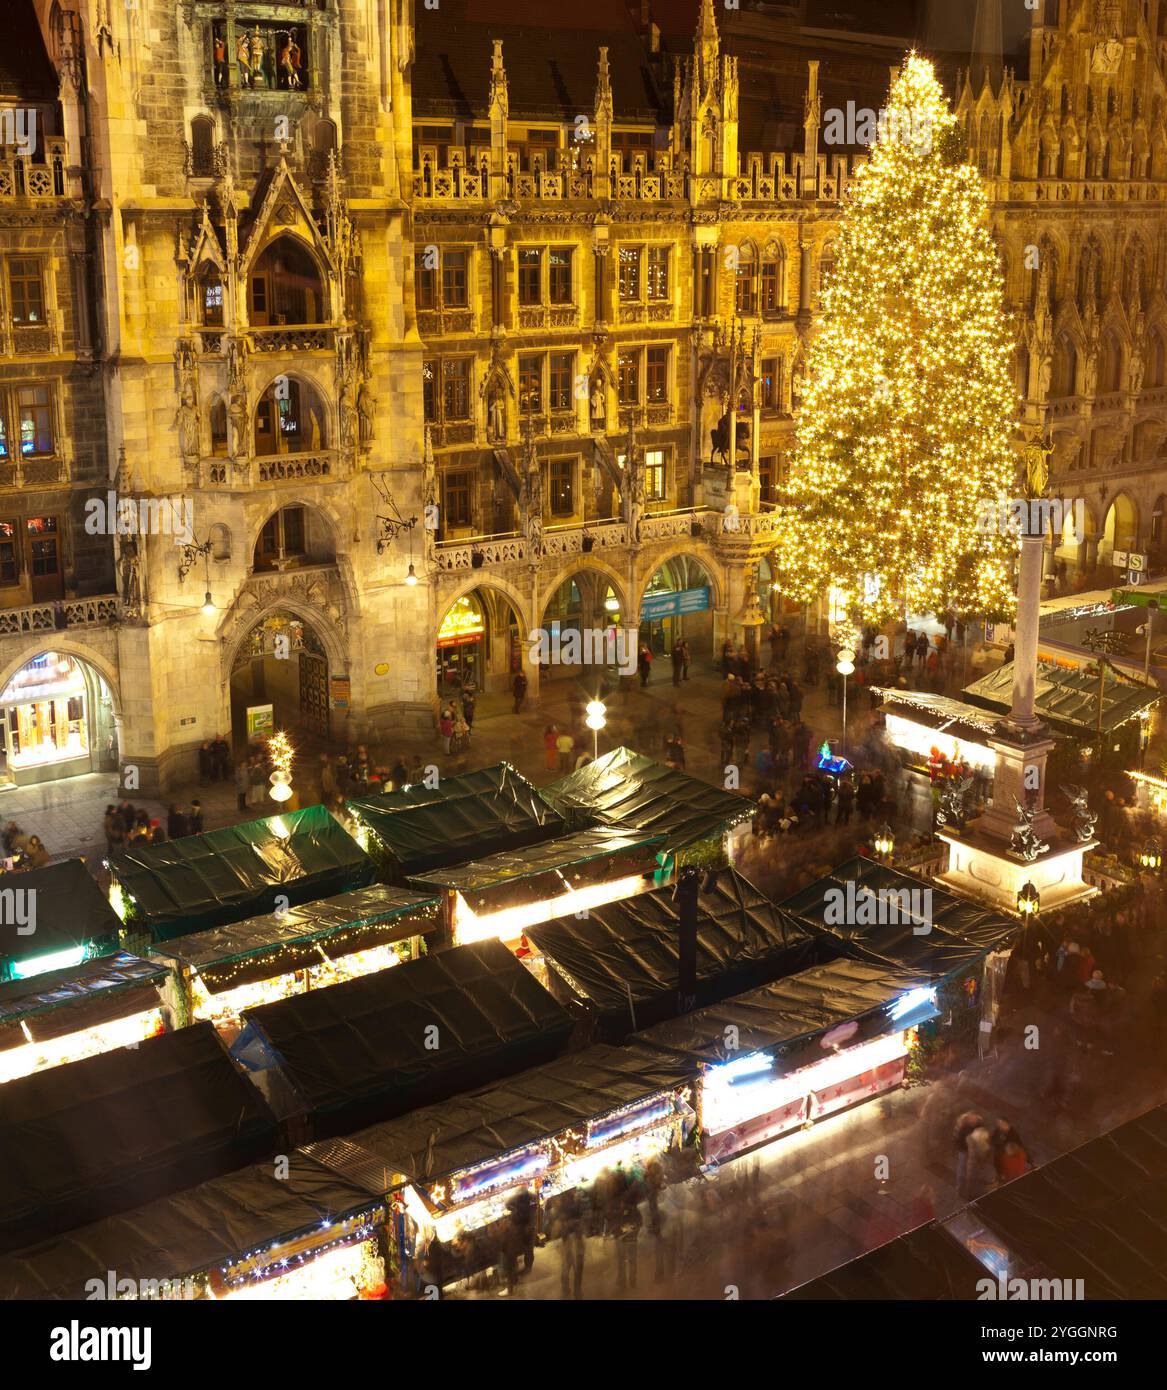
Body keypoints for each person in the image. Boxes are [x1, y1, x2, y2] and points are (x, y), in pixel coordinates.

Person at [557, 1189, 585, 1300]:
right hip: (573, 1237)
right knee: (577, 1266)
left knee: (567, 1266)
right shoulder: (573, 1202)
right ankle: (576, 1292)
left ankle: (566, 1291)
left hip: (568, 1238)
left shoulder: (562, 1203)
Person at [615, 1191, 642, 1294]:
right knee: (628, 1262)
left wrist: (624, 1230)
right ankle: (628, 1283)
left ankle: (628, 1283)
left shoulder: (630, 1210)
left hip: (628, 1240)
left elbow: (638, 1223)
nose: (621, 1203)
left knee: (626, 1262)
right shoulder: (624, 1211)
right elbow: (639, 1223)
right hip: (627, 1240)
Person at [952, 1111, 982, 1197]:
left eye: (975, 1118)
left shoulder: (978, 1124)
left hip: (974, 1150)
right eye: (972, 1119)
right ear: (968, 1120)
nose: (974, 1120)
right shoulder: (962, 1129)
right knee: (962, 1170)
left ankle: (971, 1189)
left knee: (973, 1170)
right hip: (964, 1151)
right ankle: (960, 1189)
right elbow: (957, 1141)